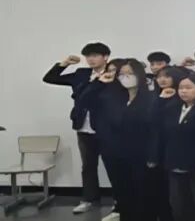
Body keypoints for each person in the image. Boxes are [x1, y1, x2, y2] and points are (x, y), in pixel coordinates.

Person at [77, 58, 156, 221]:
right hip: (115, 154)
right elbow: (84, 100)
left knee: (143, 195)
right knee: (123, 195)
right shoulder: (111, 96)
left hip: (141, 155)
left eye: (130, 73)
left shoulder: (150, 98)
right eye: (122, 74)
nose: (125, 77)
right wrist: (98, 83)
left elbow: (154, 130)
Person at [42, 42, 112, 214]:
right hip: (83, 127)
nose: (91, 59)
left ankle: (119, 201)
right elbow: (50, 78)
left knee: (113, 165)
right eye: (88, 56)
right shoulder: (81, 74)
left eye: (95, 55)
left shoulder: (113, 74)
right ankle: (89, 199)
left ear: (105, 57)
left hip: (107, 128)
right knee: (88, 166)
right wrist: (64, 64)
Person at [149, 72, 195, 221]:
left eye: (188, 88)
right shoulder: (172, 108)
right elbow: (158, 130)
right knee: (178, 205)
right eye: (181, 88)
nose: (184, 91)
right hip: (174, 163)